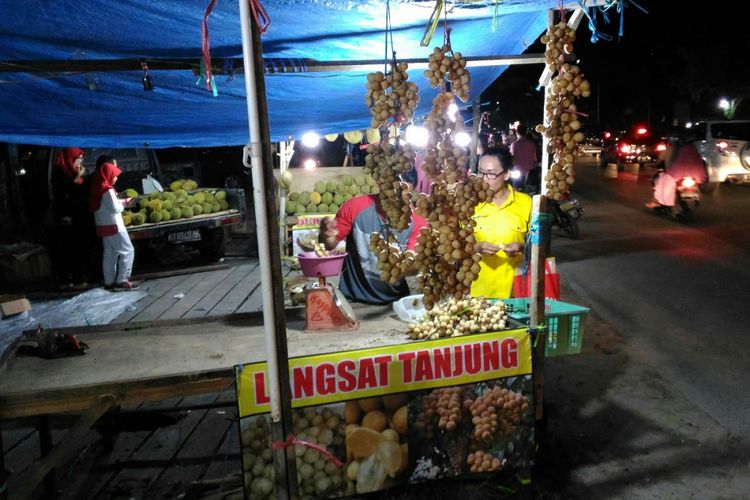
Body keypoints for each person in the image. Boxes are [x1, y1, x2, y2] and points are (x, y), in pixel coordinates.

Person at [318, 186, 428, 305]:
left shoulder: (419, 222)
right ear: (380, 181)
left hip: (394, 302)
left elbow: (414, 266)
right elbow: (328, 245)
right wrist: (326, 235)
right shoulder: (355, 207)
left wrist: (398, 266)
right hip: (352, 301)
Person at [471, 148, 532, 299]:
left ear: (507, 174)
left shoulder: (526, 203)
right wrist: (476, 247)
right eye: (481, 172)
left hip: (516, 292)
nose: (484, 179)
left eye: (491, 174)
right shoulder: (470, 205)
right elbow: (455, 246)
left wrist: (521, 247)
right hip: (478, 292)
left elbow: (540, 246)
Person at [90, 155, 138, 291]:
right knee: (128, 251)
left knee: (110, 254)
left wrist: (123, 201)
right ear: (109, 174)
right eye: (115, 174)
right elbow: (114, 208)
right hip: (114, 226)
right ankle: (122, 280)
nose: (116, 177)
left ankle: (109, 281)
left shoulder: (98, 187)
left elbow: (107, 205)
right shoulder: (108, 189)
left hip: (103, 225)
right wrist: (125, 205)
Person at [50, 147, 95, 289]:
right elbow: (65, 194)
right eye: (78, 158)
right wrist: (77, 177)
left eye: (81, 158)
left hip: (79, 217)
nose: (80, 161)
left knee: (80, 248)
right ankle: (67, 280)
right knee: (68, 249)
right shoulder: (60, 174)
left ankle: (79, 278)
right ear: (70, 158)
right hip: (66, 217)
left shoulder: (74, 173)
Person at [645, 141, 707, 208]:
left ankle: (657, 201)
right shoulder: (694, 148)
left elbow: (658, 161)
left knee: (660, 181)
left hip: (677, 173)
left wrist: (652, 165)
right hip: (698, 174)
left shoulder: (670, 149)